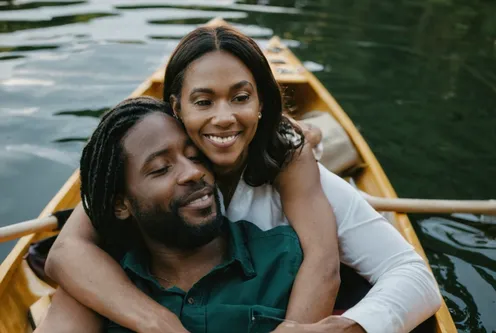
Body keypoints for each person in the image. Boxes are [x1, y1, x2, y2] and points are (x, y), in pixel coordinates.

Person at [44, 26, 441, 333]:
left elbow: (402, 274)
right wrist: (157, 322)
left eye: (240, 97)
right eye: (203, 101)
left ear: (261, 102)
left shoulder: (294, 167)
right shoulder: (148, 177)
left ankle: (316, 134)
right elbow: (66, 253)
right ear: (174, 107)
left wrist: (350, 326)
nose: (223, 117)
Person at [36, 97, 310, 333]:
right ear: (121, 205)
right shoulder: (96, 285)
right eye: (160, 169)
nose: (193, 172)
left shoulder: (287, 258)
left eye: (195, 156)